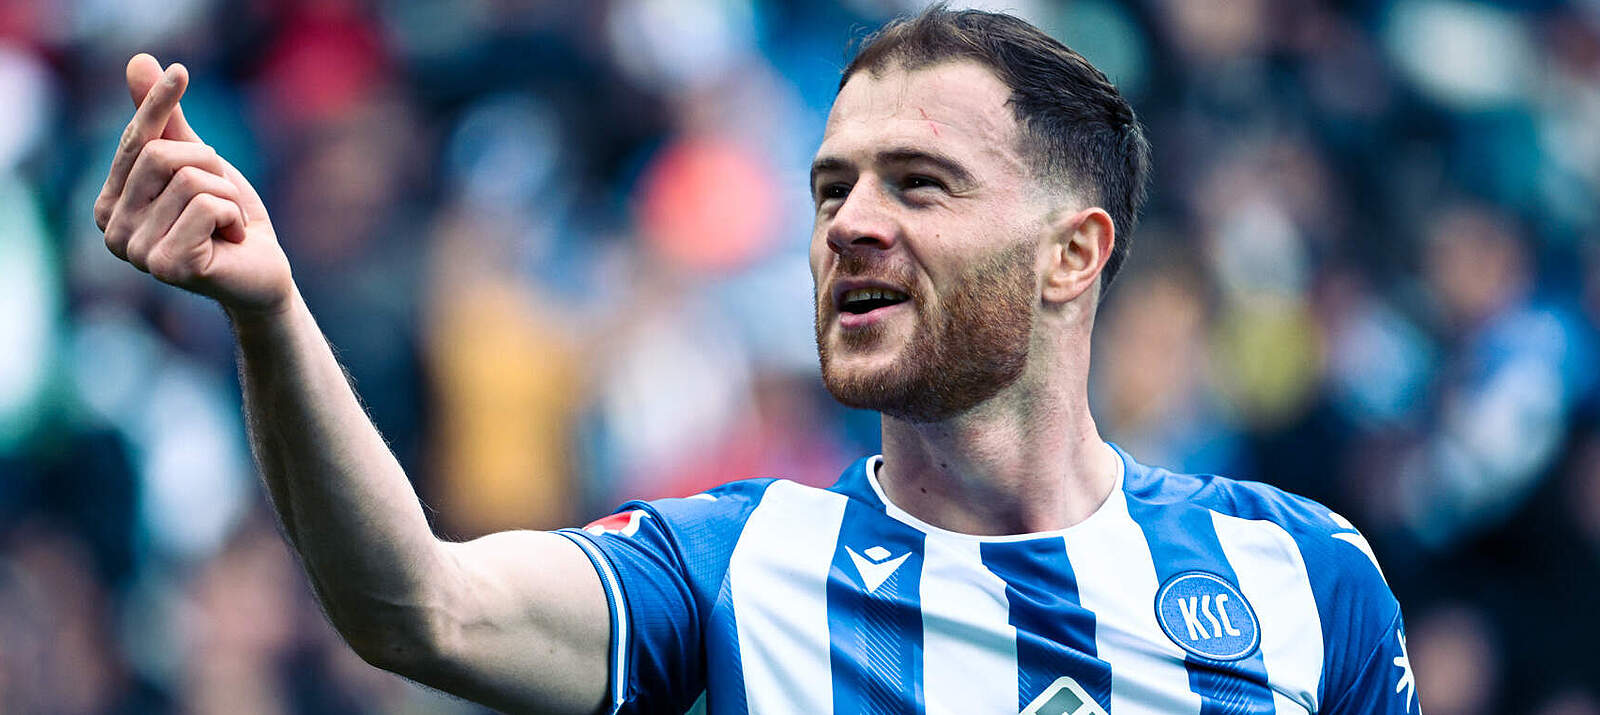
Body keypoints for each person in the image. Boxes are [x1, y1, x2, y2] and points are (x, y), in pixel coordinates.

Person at [93, 6, 1414, 715]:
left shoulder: (1303, 580)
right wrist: (271, 312)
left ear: (1073, 254)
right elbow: (420, 608)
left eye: (919, 183)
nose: (850, 225)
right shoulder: (734, 569)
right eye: (833, 187)